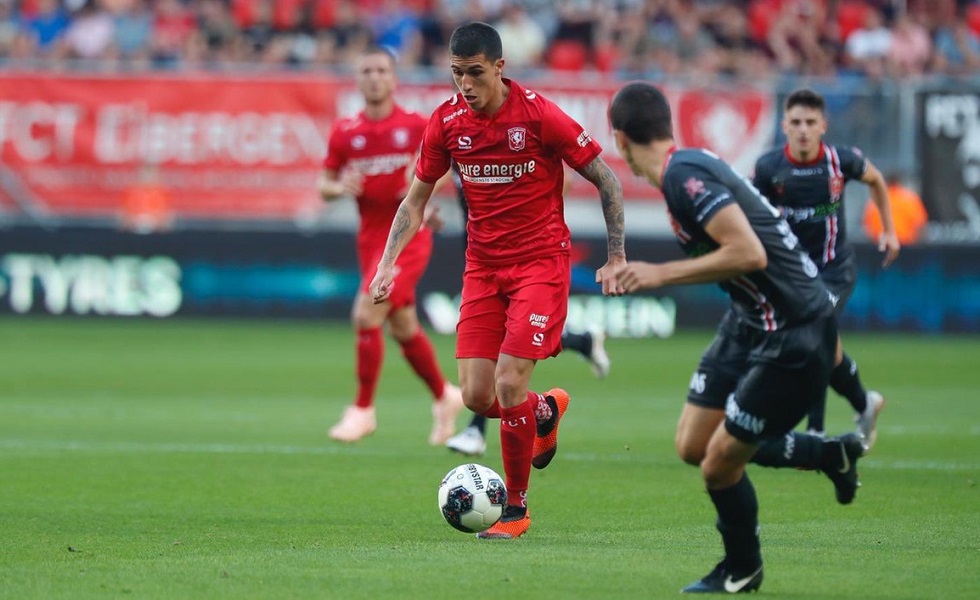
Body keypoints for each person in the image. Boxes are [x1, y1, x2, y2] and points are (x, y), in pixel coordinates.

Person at [370, 22, 627, 540]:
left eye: (475, 73)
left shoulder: (538, 115)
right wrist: (386, 262)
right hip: (482, 268)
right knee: (475, 395)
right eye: (456, 73)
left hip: (540, 264)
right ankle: (545, 410)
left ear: (499, 68)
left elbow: (606, 178)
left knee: (509, 384)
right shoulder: (446, 122)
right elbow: (416, 200)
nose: (465, 84)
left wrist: (617, 254)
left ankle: (515, 510)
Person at [609, 82, 863, 593]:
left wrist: (659, 274)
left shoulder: (683, 177)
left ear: (620, 140)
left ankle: (742, 568)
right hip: (750, 321)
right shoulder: (686, 167)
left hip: (794, 329)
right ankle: (826, 453)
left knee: (718, 466)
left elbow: (750, 252)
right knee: (693, 445)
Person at [319, 45, 464, 445]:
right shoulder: (346, 131)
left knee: (367, 313)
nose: (374, 77)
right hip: (369, 238)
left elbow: (449, 169)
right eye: (367, 70)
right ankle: (445, 396)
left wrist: (422, 187)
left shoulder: (416, 125)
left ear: (394, 79)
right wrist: (339, 186)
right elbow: (323, 184)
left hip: (408, 238)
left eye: (382, 70)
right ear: (358, 79)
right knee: (402, 326)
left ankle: (362, 409)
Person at [753, 89, 898, 449]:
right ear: (784, 125)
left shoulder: (840, 161)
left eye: (810, 122)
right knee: (824, 350)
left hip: (834, 271)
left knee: (814, 338)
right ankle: (864, 403)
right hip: (792, 274)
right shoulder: (769, 168)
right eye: (796, 122)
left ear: (823, 126)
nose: (803, 129)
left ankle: (815, 432)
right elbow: (755, 217)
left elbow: (877, 180)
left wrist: (889, 230)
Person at [444, 164, 612, 457]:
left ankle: (476, 429)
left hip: (524, 252)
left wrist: (530, 219)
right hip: (479, 246)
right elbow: (422, 181)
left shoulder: (514, 144)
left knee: (501, 351)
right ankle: (580, 343)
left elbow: (564, 181)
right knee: (497, 349)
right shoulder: (456, 144)